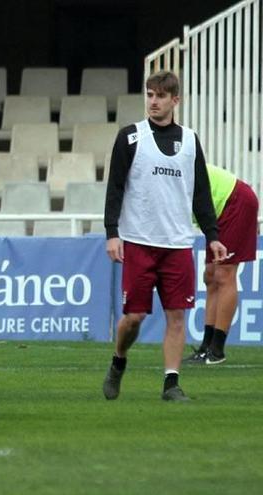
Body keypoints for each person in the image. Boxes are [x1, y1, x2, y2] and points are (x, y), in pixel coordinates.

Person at [102, 70, 227, 402]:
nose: (153, 101)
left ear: (176, 100)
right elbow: (114, 188)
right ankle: (118, 361)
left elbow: (201, 192)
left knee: (176, 316)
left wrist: (212, 235)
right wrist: (112, 233)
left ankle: (171, 384)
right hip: (140, 242)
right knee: (134, 318)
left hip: (177, 244)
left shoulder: (189, 140)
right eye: (149, 95)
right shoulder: (130, 137)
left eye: (160, 96)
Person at [183, 165, 259, 365]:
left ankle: (217, 350)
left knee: (224, 274)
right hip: (217, 211)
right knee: (210, 275)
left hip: (235, 201)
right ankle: (206, 346)